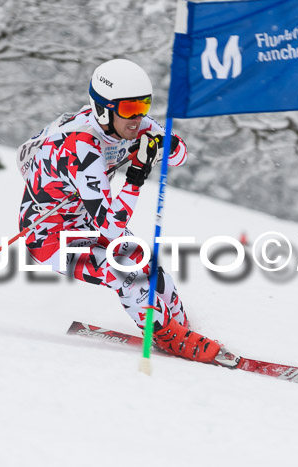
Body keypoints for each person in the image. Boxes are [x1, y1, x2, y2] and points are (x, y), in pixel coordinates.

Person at [17, 59, 236, 366]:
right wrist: (136, 174)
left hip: (85, 218)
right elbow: (111, 230)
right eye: (131, 110)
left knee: (153, 270)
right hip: (51, 236)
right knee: (128, 270)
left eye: (144, 106)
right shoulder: (81, 148)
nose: (139, 118)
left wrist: (161, 144)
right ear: (104, 110)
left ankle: (183, 329)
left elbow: (180, 154)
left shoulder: (131, 123)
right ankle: (165, 335)